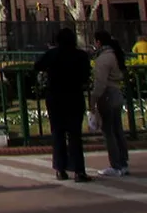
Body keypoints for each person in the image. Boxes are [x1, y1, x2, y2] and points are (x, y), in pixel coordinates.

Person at [34, 27, 92, 182]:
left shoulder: (52, 54)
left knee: (58, 133)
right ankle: (79, 171)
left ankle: (60, 169)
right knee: (75, 135)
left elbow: (37, 66)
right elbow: (86, 75)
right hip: (74, 95)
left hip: (55, 96)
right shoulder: (80, 55)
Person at [91, 30, 130, 177]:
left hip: (107, 94)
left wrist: (93, 100)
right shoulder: (116, 55)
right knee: (118, 129)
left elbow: (100, 83)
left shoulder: (103, 59)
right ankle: (123, 162)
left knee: (109, 131)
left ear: (98, 42)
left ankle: (115, 164)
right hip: (117, 93)